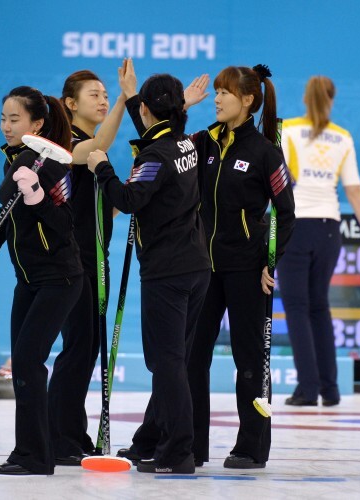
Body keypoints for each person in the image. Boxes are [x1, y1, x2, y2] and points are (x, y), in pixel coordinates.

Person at [121, 63, 295, 469]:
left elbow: (286, 213)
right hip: (202, 269)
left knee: (249, 360)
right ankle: (190, 446)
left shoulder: (265, 152)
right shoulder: (202, 144)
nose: (216, 99)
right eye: (215, 92)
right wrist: (135, 102)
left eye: (224, 93)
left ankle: (251, 446)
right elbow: (159, 143)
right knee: (188, 359)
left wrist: (272, 262)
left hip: (247, 270)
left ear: (248, 100)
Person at [87, 70, 211, 474]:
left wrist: (101, 166)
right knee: (172, 360)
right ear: (179, 108)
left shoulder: (157, 155)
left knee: (167, 362)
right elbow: (162, 128)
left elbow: (129, 198)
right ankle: (151, 441)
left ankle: (178, 451)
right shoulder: (183, 143)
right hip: (195, 266)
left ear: (144, 110)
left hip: (168, 272)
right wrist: (138, 97)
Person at [0, 86, 83, 476]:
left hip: (60, 278)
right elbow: (6, 215)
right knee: (24, 366)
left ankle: (37, 457)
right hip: (29, 280)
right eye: (3, 118)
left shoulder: (51, 165)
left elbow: (67, 225)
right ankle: (28, 451)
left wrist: (37, 197)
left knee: (31, 362)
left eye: (14, 119)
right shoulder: (17, 161)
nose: (5, 126)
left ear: (37, 124)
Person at [278, 76, 360, 407]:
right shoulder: (342, 137)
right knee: (320, 306)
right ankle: (330, 390)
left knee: (296, 308)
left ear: (305, 99)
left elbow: (274, 184)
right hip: (329, 229)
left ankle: (307, 390)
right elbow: (354, 190)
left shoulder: (287, 130)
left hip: (296, 225)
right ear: (332, 101)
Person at [48, 63, 127, 462]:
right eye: (94, 94)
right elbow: (97, 147)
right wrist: (126, 97)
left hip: (99, 259)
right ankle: (57, 437)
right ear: (70, 103)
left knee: (88, 348)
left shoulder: (92, 148)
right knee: (77, 347)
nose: (103, 99)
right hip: (72, 262)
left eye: (107, 95)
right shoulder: (65, 145)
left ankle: (70, 433)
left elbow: (102, 210)